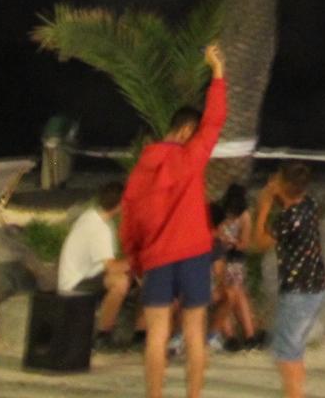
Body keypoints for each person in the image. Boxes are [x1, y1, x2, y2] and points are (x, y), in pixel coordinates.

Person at [121, 42, 227, 398]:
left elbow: (130, 221)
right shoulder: (188, 158)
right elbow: (214, 122)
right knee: (195, 333)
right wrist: (217, 73)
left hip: (157, 258)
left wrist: (137, 261)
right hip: (194, 253)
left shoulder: (140, 171)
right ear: (185, 132)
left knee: (157, 334)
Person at [254, 162, 325, 398]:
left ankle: (294, 394)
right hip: (316, 286)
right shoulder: (309, 205)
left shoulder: (288, 218)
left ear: (284, 184)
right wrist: (277, 196)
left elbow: (259, 242)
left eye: (276, 179)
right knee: (294, 348)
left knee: (286, 352)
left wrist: (263, 208)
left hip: (298, 290)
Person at [57, 180, 130, 349]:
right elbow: (111, 267)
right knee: (120, 282)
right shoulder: (99, 229)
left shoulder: (93, 216)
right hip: (76, 283)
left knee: (129, 275)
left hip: (88, 274)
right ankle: (103, 333)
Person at [209, 184, 256, 350]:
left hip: (234, 258)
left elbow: (244, 244)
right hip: (219, 257)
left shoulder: (244, 216)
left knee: (235, 293)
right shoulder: (221, 212)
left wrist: (232, 243)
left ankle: (243, 335)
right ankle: (235, 335)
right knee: (230, 294)